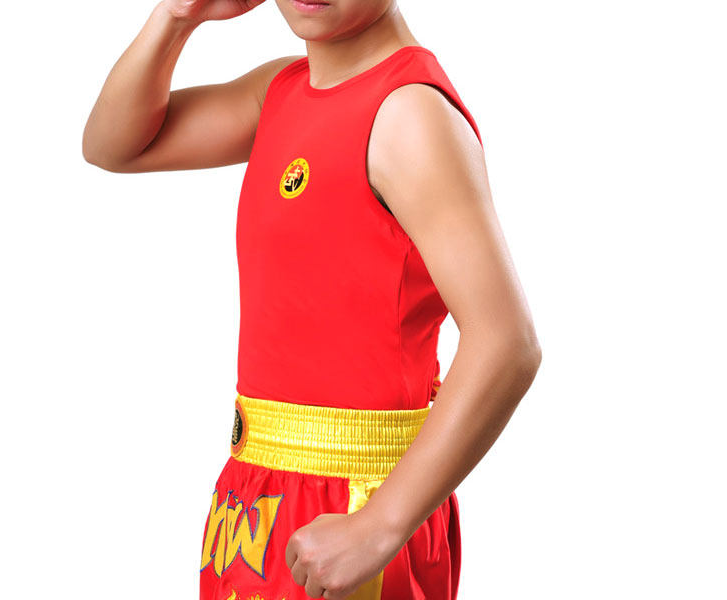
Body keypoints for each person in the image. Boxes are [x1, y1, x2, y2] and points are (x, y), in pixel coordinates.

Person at [82, 1, 542, 599]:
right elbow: (113, 145)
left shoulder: (407, 113)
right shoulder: (281, 90)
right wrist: (176, 15)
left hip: (355, 503)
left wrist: (381, 524)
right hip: (254, 502)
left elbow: (506, 342)